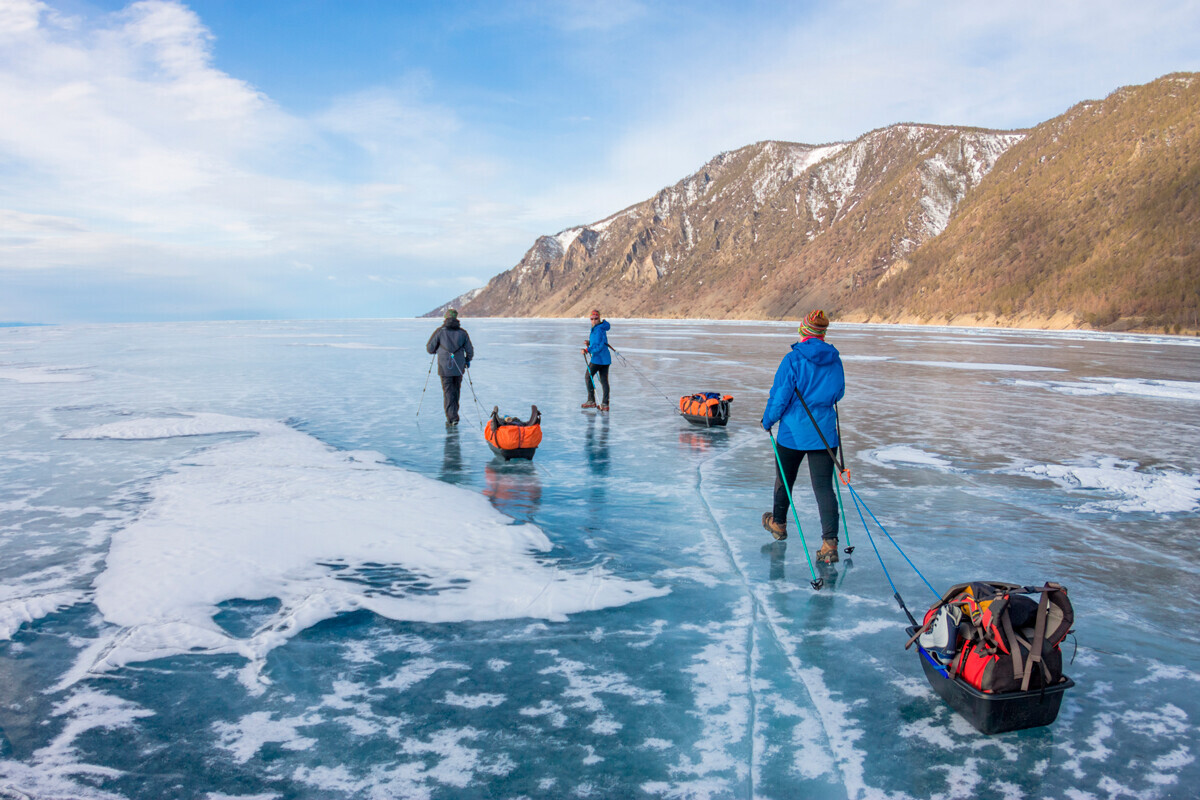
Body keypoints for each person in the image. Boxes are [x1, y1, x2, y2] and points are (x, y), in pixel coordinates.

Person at [761, 309, 846, 563]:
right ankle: (829, 544)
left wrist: (768, 421)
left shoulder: (793, 359)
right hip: (824, 434)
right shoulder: (835, 359)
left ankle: (778, 523)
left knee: (784, 480)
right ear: (822, 334)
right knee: (823, 488)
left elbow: (780, 396)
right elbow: (838, 393)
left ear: (804, 331)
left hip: (793, 434)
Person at [426, 308, 474, 425]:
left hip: (444, 368)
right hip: (459, 368)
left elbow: (430, 348)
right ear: (456, 318)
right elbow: (470, 351)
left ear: (446, 318)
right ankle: (454, 416)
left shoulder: (440, 331)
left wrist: (438, 349)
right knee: (456, 392)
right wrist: (466, 361)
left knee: (448, 393)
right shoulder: (463, 333)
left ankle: (452, 418)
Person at [581, 309, 611, 412]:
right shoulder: (598, 328)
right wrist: (589, 343)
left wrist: (587, 349)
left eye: (596, 318)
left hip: (599, 359)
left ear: (599, 318)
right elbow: (597, 343)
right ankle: (605, 404)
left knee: (588, 376)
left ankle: (591, 401)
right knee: (603, 381)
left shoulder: (598, 329)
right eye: (592, 319)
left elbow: (599, 346)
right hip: (604, 359)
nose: (593, 320)